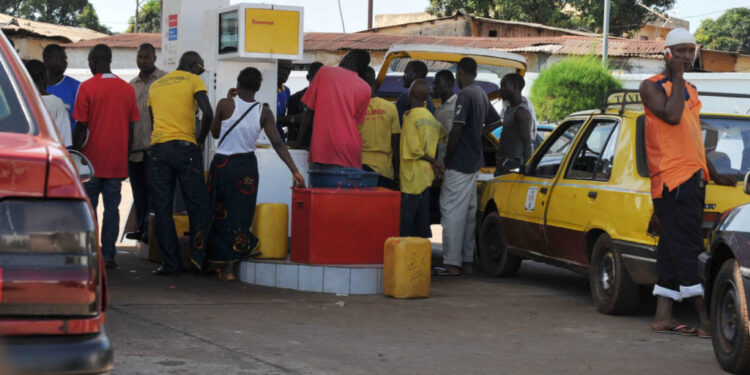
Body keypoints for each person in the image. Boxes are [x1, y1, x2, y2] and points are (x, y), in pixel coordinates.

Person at [639, 28, 737, 337]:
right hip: (672, 182)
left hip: (692, 179)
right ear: (667, 53)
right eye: (680, 51)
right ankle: (707, 321)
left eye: (689, 50)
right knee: (689, 250)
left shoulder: (691, 89)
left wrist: (715, 172)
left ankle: (662, 317)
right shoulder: (651, 86)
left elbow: (692, 136)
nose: (686, 56)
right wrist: (678, 78)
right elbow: (670, 117)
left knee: (670, 250)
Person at [208, 67, 306, 281]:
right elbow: (278, 143)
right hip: (246, 168)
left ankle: (217, 263)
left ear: (238, 83)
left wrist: (226, 101)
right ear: (258, 87)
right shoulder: (264, 112)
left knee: (220, 213)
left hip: (224, 165)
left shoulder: (225, 105)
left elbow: (215, 132)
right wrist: (295, 171)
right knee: (241, 216)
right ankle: (231, 269)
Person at [71, 44, 140, 269]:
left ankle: (90, 253)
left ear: (93, 62)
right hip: (116, 162)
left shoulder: (87, 88)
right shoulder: (127, 89)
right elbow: (132, 128)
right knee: (112, 209)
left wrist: (76, 152)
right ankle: (109, 254)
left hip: (90, 162)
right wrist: (126, 156)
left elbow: (81, 126)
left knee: (89, 209)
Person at [147, 51, 214, 276]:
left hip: (159, 149)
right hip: (186, 148)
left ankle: (170, 264)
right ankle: (197, 261)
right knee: (197, 206)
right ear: (195, 66)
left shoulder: (156, 85)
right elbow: (208, 113)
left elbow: (152, 119)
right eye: (202, 69)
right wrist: (200, 139)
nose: (201, 73)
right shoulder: (194, 80)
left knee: (163, 209)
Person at [437, 57, 501, 276]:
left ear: (461, 73)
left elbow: (456, 129)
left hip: (460, 163)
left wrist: (447, 159)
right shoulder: (482, 93)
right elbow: (495, 121)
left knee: (452, 212)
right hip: (475, 163)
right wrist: (477, 135)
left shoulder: (465, 94)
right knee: (468, 214)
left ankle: (451, 263)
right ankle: (466, 261)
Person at [296, 49, 371, 172]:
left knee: (323, 189)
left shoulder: (324, 72)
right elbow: (357, 122)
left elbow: (309, 112)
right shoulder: (366, 88)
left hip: (325, 148)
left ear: (349, 57)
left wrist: (298, 144)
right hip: (351, 151)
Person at [125, 43, 167, 242]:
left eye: (146, 57)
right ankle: (141, 228)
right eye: (140, 57)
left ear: (154, 58)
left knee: (154, 192)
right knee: (138, 193)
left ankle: (153, 231)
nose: (142, 61)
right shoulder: (131, 85)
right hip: (135, 150)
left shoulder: (165, 80)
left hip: (155, 148)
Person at [400, 79, 445, 237]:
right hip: (426, 176)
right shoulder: (432, 119)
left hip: (411, 177)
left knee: (407, 223)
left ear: (410, 94)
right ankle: (422, 256)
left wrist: (432, 160)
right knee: (422, 220)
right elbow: (442, 138)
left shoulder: (410, 117)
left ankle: (406, 257)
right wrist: (434, 160)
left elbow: (413, 149)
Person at [357, 66, 400, 190]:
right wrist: (397, 171)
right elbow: (395, 142)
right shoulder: (390, 107)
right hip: (385, 169)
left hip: (360, 168)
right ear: (375, 84)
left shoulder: (353, 108)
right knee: (383, 208)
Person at [24, 59, 71, 147]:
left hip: (23, 153)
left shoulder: (19, 100)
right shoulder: (57, 103)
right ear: (44, 77)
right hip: (47, 153)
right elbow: (64, 139)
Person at [494, 73, 533, 176]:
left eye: (504, 86)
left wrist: (526, 169)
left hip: (512, 168)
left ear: (515, 88)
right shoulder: (509, 109)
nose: (501, 90)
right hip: (503, 167)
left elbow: (526, 142)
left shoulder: (521, 112)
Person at [43, 44, 80, 137]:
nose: (65, 62)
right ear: (47, 61)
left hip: (67, 146)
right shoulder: (33, 86)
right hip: (42, 144)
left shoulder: (77, 87)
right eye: (60, 58)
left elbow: (83, 123)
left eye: (65, 58)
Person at [286, 62, 323, 147]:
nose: (318, 80)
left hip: (321, 147)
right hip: (301, 147)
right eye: (315, 76)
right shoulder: (296, 98)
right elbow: (291, 128)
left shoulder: (329, 99)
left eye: (321, 77)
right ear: (308, 77)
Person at [396, 60, 435, 124]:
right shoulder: (429, 100)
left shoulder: (405, 98)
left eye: (406, 73)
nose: (403, 76)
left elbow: (398, 124)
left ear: (416, 75)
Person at [432, 69, 457, 167]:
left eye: (438, 83)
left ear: (450, 83)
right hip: (440, 164)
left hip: (452, 164)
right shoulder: (439, 108)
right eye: (434, 83)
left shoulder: (457, 105)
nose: (434, 86)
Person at [275, 59, 293, 142]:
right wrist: (293, 118)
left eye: (289, 70)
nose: (286, 73)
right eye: (283, 69)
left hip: (280, 135)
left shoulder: (286, 91)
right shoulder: (267, 88)